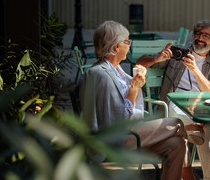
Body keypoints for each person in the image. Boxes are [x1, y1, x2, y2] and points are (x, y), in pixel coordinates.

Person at [79, 20, 196, 180]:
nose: (130, 45)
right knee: (176, 124)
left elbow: (139, 65)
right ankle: (190, 175)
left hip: (132, 133)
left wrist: (155, 60)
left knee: (178, 145)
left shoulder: (116, 69)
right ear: (116, 47)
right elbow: (115, 122)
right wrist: (134, 89)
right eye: (128, 41)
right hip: (118, 139)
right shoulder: (100, 74)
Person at [136, 20, 210, 180]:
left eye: (206, 35)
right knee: (203, 129)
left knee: (197, 131)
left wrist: (195, 70)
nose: (200, 38)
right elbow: (139, 62)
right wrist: (157, 58)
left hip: (199, 108)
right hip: (173, 106)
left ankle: (209, 177)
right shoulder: (178, 54)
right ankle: (201, 175)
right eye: (198, 33)